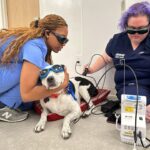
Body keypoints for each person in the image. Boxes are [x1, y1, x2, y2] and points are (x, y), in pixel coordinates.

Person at [84, 1, 150, 122]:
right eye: (131, 29)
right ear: (125, 25)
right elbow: (105, 57)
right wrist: (91, 69)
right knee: (134, 104)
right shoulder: (117, 40)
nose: (136, 33)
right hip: (129, 88)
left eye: (141, 30)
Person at [0, 14, 69, 122]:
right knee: (34, 72)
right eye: (62, 39)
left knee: (42, 69)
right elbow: (26, 94)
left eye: (66, 41)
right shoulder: (34, 47)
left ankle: (7, 102)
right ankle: (2, 107)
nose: (63, 44)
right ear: (47, 33)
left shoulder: (39, 44)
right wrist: (61, 86)